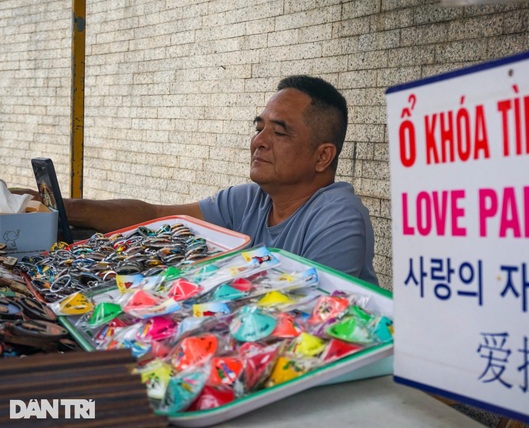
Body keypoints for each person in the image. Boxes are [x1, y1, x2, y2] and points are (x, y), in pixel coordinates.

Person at [30, 75, 379, 285]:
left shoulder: (339, 216)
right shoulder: (250, 200)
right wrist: (59, 209)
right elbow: (154, 217)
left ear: (323, 156)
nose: (259, 141)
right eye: (259, 128)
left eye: (280, 132)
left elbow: (316, 318)